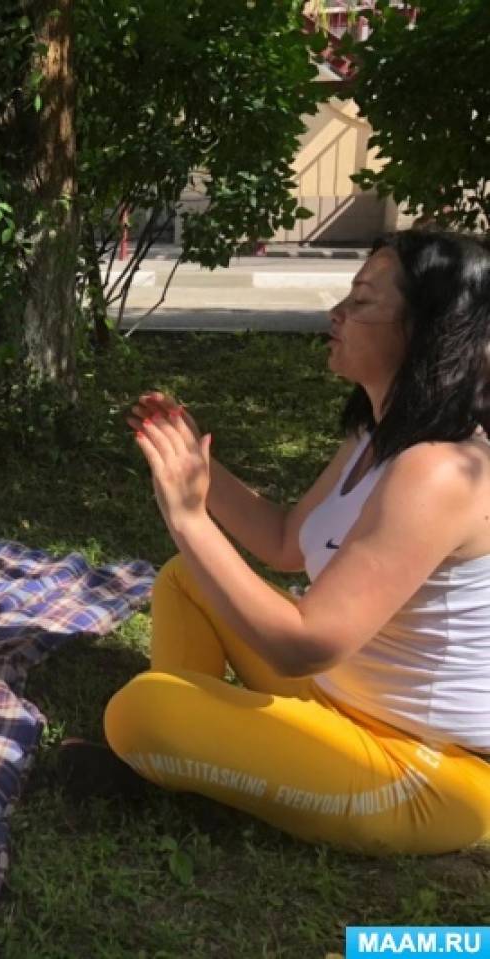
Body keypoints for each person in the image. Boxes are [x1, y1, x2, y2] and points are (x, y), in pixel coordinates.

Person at [94, 230, 490, 855]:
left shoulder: (441, 470)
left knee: (141, 711)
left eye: (362, 301)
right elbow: (285, 541)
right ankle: (185, 756)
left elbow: (304, 645)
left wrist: (190, 519)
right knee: (186, 580)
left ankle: (176, 746)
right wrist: (196, 467)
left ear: (425, 329)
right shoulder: (374, 435)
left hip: (426, 770)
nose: (337, 312)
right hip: (337, 700)